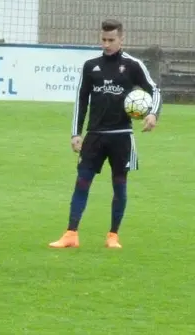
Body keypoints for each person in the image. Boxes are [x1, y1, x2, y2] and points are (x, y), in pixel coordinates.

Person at [49, 19, 161, 249]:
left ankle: (113, 236)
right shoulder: (91, 66)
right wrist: (75, 133)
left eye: (111, 40)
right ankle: (71, 234)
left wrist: (153, 114)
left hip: (122, 135)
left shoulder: (133, 65)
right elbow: (81, 100)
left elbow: (154, 90)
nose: (106, 44)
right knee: (82, 182)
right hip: (95, 135)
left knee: (119, 185)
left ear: (121, 39)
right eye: (103, 40)